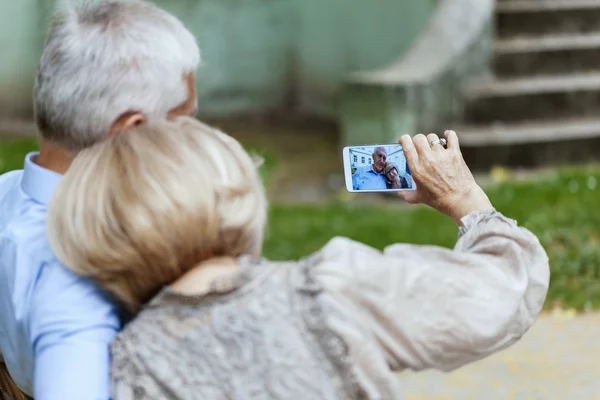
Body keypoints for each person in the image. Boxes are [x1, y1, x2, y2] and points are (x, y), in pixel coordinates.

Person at [46, 121, 550, 400]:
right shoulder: (330, 292)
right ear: (236, 190)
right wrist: (465, 200)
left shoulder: (121, 368)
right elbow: (499, 293)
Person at [0, 0, 200, 399]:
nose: (193, 138)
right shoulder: (98, 265)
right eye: (184, 121)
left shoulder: (6, 191)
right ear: (132, 130)